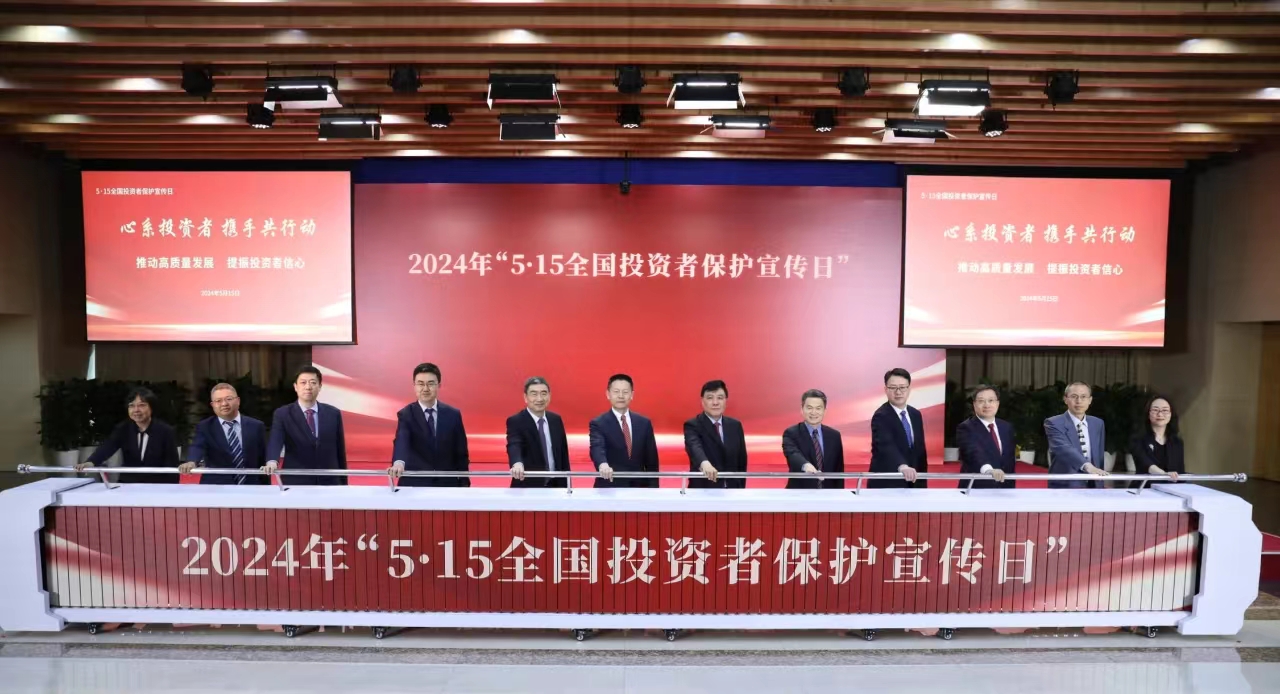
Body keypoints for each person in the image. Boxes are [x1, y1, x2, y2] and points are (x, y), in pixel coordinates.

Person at [262, 365, 348, 486]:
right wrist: (272, 461)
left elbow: (340, 451)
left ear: (320, 386)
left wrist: (343, 483)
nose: (308, 387)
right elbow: (276, 440)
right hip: (296, 481)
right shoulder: (283, 414)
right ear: (295, 387)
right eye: (303, 383)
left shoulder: (333, 413)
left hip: (329, 482)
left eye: (313, 383)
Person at [77, 386, 180, 484]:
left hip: (157, 485)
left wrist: (171, 489)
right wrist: (91, 462)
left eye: (142, 405)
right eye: (131, 406)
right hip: (128, 483)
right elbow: (108, 446)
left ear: (151, 408)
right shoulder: (123, 429)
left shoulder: (165, 431)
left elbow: (172, 464)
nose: (136, 410)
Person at [391, 363, 470, 487]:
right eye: (420, 384)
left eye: (431, 383)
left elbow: (461, 453)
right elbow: (402, 441)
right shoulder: (406, 414)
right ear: (414, 386)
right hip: (415, 484)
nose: (426, 388)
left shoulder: (453, 414)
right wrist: (398, 463)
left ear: (439, 385)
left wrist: (465, 483)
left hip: (448, 484)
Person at [180, 383, 268, 485]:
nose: (224, 404)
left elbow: (262, 458)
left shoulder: (256, 426)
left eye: (229, 399)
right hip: (216, 487)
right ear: (213, 405)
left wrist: (266, 486)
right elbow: (197, 446)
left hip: (251, 486)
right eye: (218, 401)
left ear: (238, 401)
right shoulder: (205, 426)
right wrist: (191, 462)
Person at [589, 373, 659, 488]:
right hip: (609, 486)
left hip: (639, 488)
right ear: (608, 394)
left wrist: (654, 489)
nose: (621, 396)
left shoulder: (644, 423)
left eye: (625, 392)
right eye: (616, 392)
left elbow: (652, 462)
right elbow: (597, 447)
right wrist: (603, 465)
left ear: (632, 395)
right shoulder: (598, 423)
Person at [869, 368, 928, 489]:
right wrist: (902, 466)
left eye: (902, 387)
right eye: (893, 388)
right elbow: (886, 445)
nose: (898, 392)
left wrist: (922, 480)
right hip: (889, 481)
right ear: (886, 390)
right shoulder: (881, 416)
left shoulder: (916, 414)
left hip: (914, 481)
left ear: (909, 389)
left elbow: (920, 450)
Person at [1044, 381, 1110, 489]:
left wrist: (1100, 482)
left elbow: (1099, 456)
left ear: (1090, 400)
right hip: (1066, 485)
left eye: (1083, 397)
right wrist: (1087, 466)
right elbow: (1063, 448)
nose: (1079, 401)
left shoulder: (1097, 423)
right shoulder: (1053, 423)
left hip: (1093, 484)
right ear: (1065, 399)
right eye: (1074, 396)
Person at [683, 380, 748, 489]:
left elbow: (741, 461)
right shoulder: (693, 425)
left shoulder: (735, 426)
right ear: (702, 401)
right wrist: (705, 463)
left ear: (726, 401)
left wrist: (741, 489)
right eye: (710, 398)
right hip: (704, 490)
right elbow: (694, 448)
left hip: (732, 491)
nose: (715, 402)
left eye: (720, 398)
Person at [507, 377, 570, 488]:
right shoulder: (516, 421)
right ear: (526, 397)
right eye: (534, 394)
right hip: (528, 486)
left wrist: (567, 485)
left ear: (549, 396)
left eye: (543, 393)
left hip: (556, 486)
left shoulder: (555, 420)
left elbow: (563, 456)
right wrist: (517, 463)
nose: (539, 399)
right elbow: (514, 444)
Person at [781, 389, 845, 490]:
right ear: (802, 409)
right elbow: (792, 454)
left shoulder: (834, 436)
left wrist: (840, 495)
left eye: (818, 408)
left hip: (829, 495)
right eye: (809, 408)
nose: (813, 412)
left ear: (824, 411)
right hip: (799, 493)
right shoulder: (791, 433)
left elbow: (839, 471)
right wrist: (806, 466)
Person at [955, 386, 1016, 489]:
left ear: (997, 403)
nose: (987, 405)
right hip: (977, 489)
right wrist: (989, 470)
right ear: (974, 404)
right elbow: (973, 453)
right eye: (981, 401)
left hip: (1005, 489)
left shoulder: (1006, 427)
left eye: (991, 400)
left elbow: (1009, 460)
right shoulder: (966, 428)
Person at [1129, 394, 1184, 482]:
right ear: (1148, 413)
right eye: (1155, 410)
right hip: (1144, 487)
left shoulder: (1177, 442)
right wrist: (1164, 475)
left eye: (1165, 410)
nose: (1160, 414)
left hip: (1171, 488)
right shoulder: (1137, 439)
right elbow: (1146, 464)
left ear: (1171, 414)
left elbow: (1180, 471)